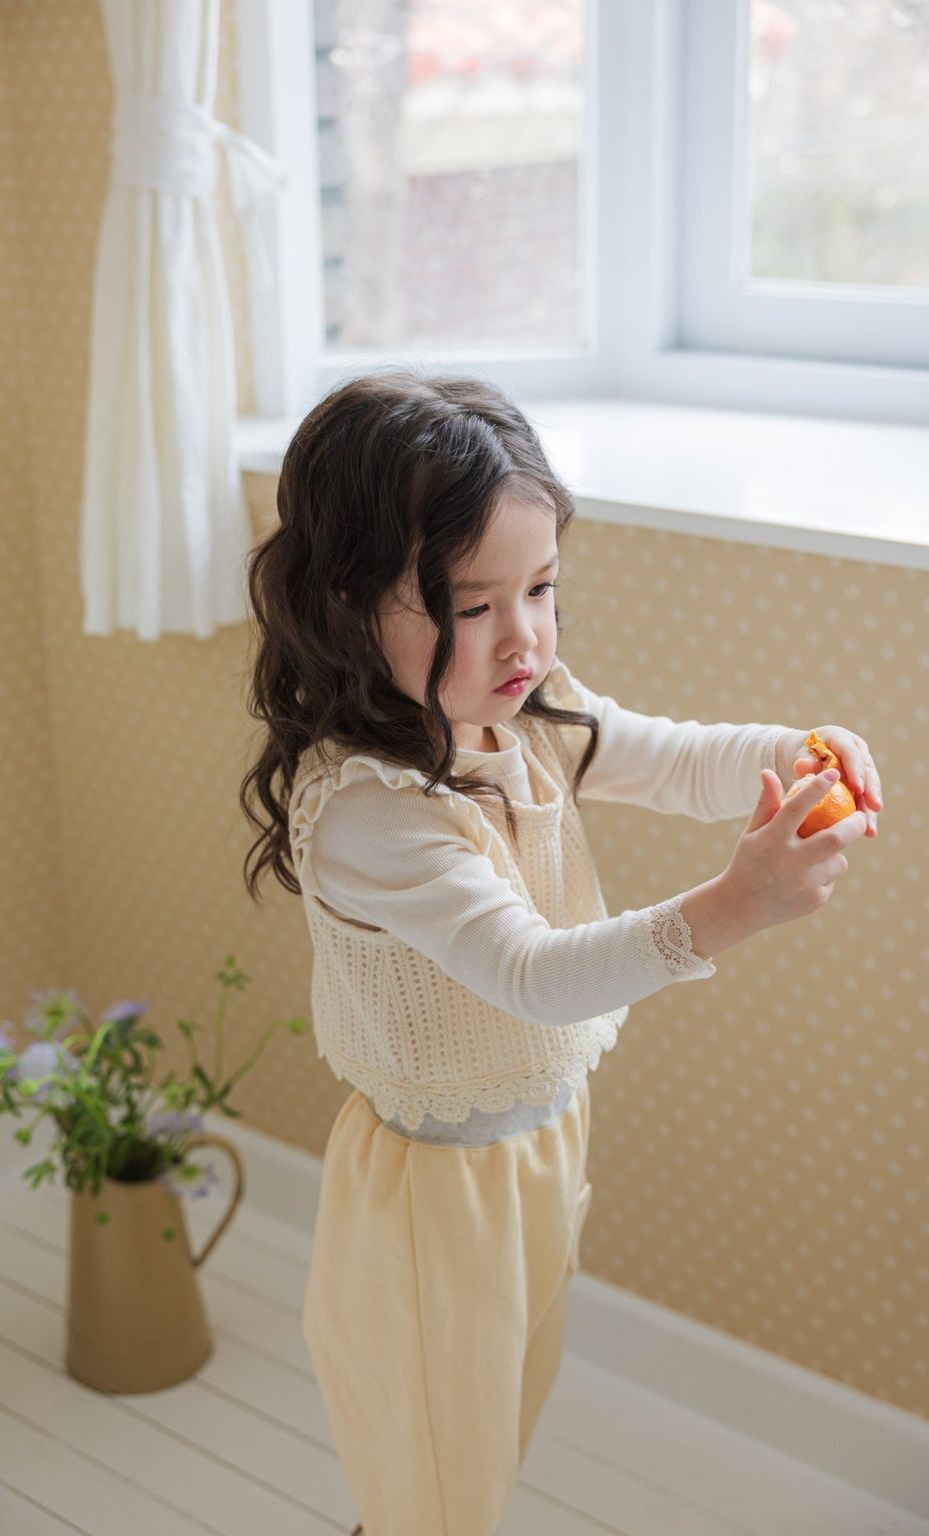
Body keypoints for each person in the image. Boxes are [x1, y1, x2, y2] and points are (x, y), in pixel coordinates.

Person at [238, 367, 882, 1536]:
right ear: (346, 605)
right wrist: (733, 906)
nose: (523, 635)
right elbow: (530, 974)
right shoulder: (372, 814)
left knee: (493, 1430)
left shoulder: (522, 712)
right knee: (434, 1480)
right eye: (472, 605)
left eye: (540, 587)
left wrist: (797, 749)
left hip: (537, 1145)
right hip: (436, 1195)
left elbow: (670, 756)